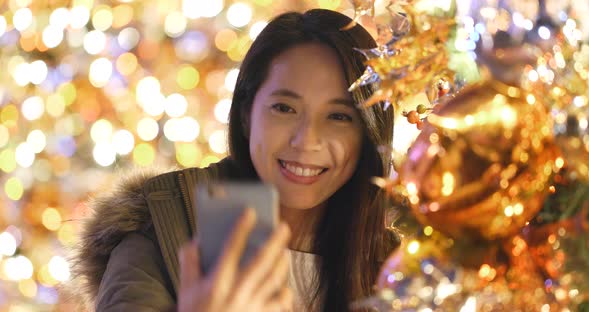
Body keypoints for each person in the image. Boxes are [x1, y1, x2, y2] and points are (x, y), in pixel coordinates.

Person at [69, 8, 397, 312]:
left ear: (369, 132)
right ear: (245, 114)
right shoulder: (167, 227)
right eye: (284, 108)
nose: (306, 140)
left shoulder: (398, 265)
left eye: (339, 116)